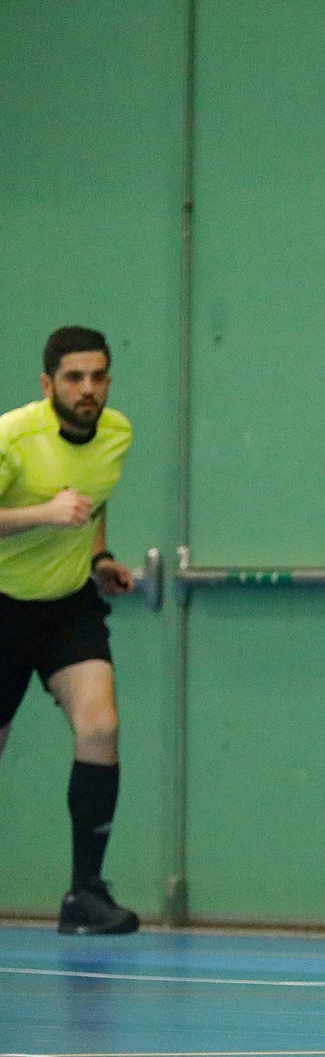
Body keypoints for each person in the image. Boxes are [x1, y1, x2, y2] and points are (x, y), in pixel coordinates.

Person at [0, 326, 141, 934]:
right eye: (74, 377)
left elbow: (95, 500)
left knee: (101, 726)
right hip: (3, 604)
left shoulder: (117, 433)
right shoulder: (14, 436)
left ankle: (84, 894)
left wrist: (97, 558)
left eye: (98, 376)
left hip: (66, 606)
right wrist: (44, 514)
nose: (88, 389)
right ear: (47, 382)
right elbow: (62, 508)